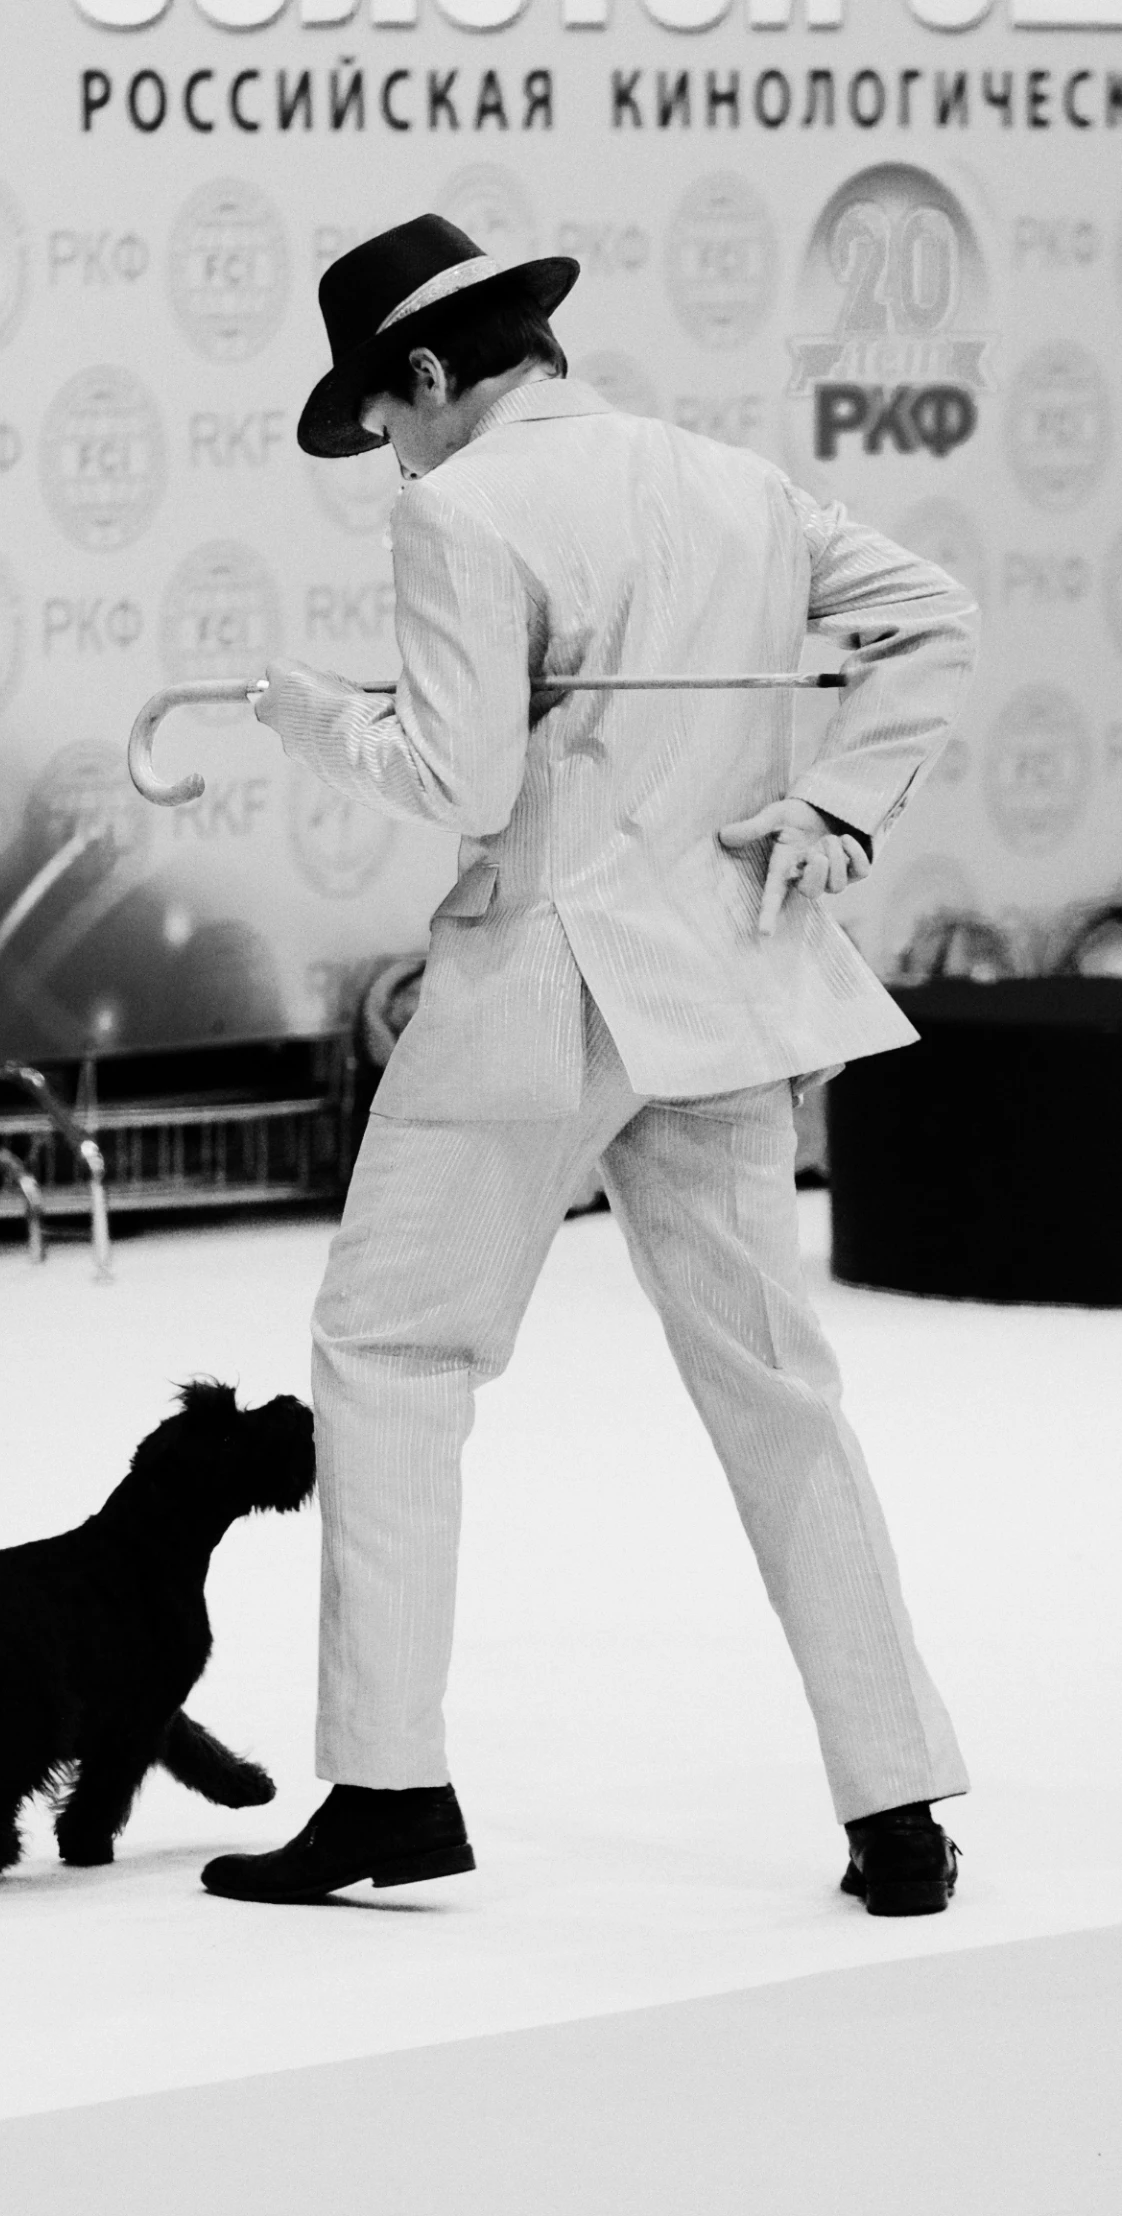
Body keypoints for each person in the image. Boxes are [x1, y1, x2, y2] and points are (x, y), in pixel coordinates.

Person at [199, 215, 976, 1918]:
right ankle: (897, 1805)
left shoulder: (458, 510)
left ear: (423, 377)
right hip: (720, 985)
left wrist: (306, 712)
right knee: (779, 1395)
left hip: (544, 987)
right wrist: (835, 803)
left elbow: (457, 783)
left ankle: (387, 1788)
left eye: (381, 414)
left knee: (390, 1352)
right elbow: (930, 615)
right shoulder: (728, 482)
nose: (385, 452)